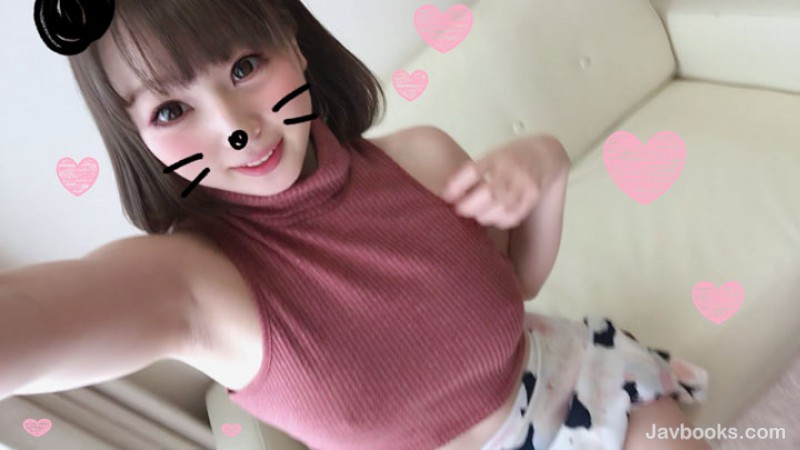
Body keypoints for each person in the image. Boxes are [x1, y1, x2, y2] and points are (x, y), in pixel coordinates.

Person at [1, 0, 710, 448]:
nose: (234, 126)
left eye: (245, 66)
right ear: (137, 140)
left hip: (571, 389)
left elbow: (517, 285)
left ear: (293, 41)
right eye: (170, 110)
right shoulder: (195, 285)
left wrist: (548, 167)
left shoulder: (422, 158)